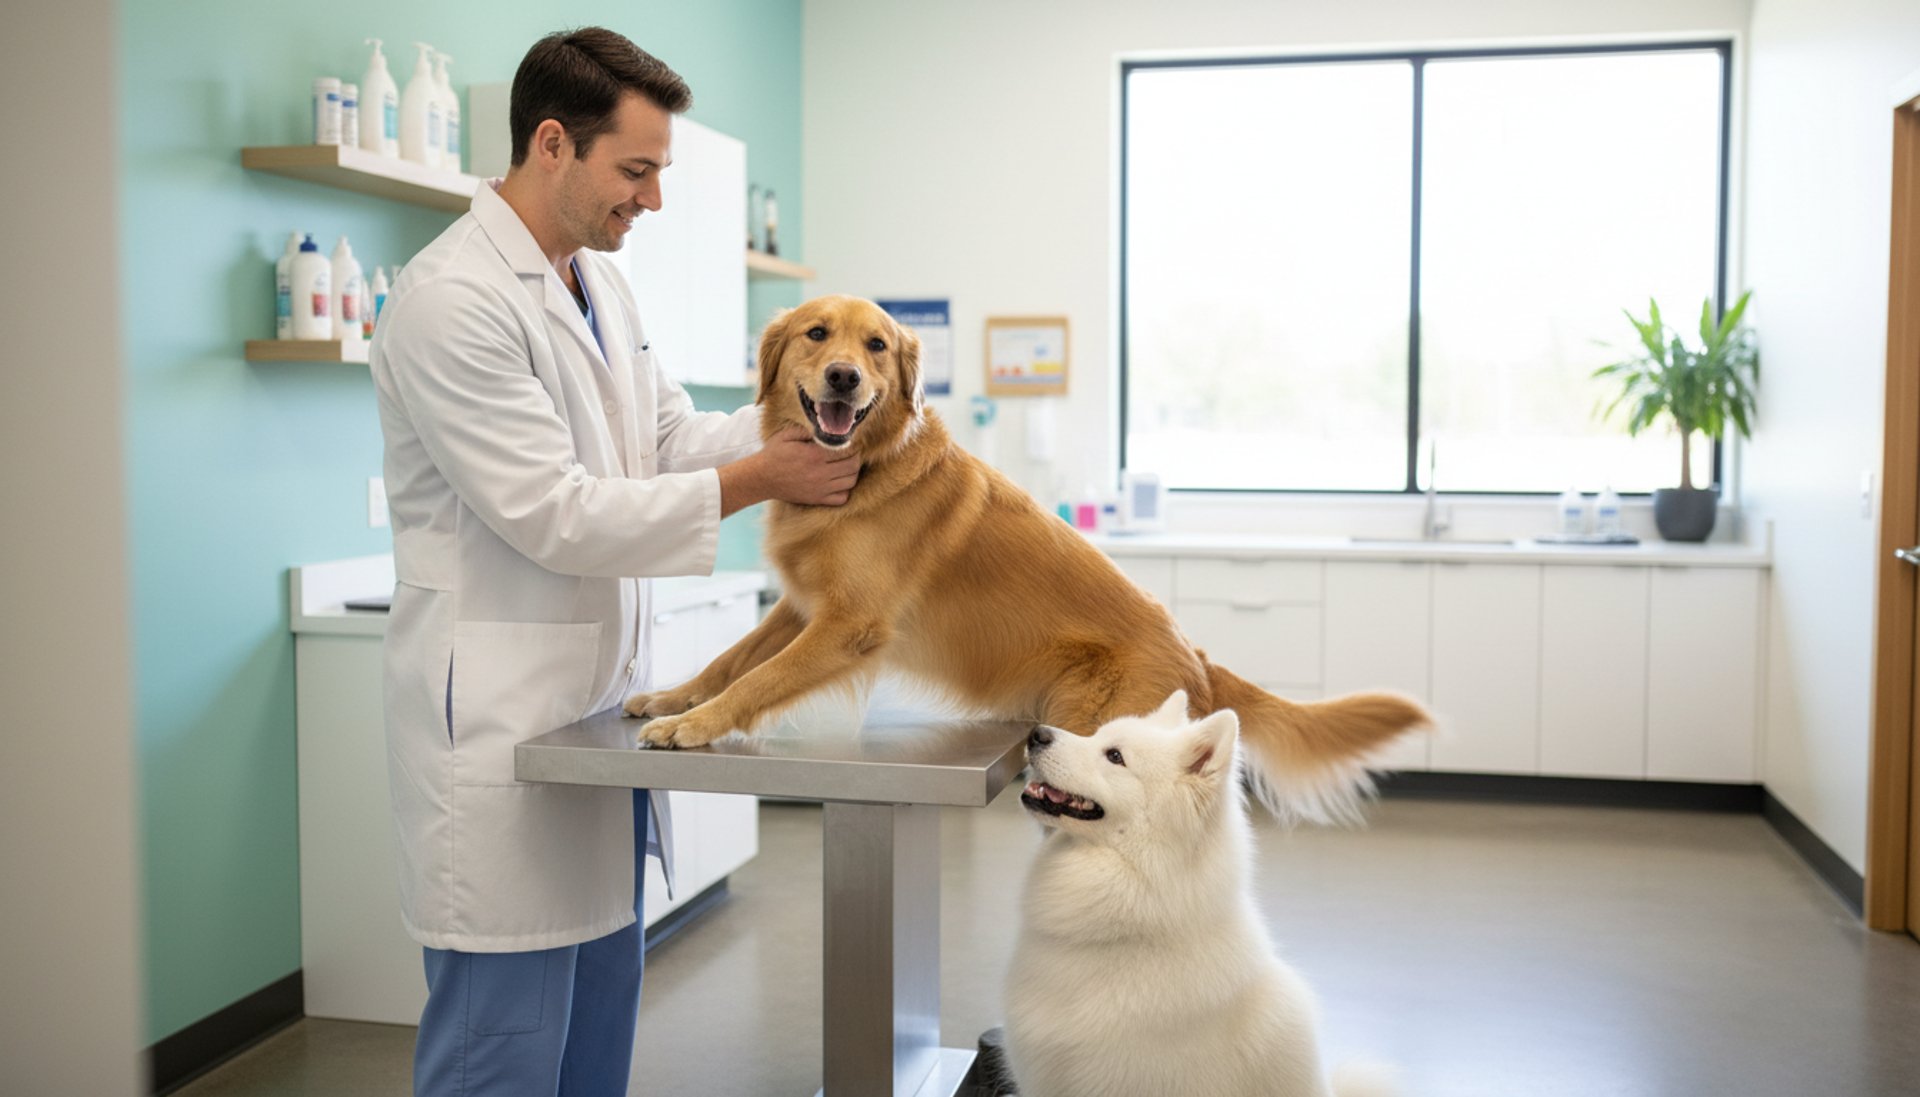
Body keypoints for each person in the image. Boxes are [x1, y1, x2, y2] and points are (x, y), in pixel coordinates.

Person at [368, 27, 856, 1097]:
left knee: (595, 1053)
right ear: (553, 144)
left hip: (596, 734)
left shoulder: (596, 284)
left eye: (661, 172)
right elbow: (554, 512)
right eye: (636, 171)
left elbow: (668, 436)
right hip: (501, 739)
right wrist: (766, 480)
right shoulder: (454, 301)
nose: (655, 200)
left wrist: (813, 418)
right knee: (500, 1060)